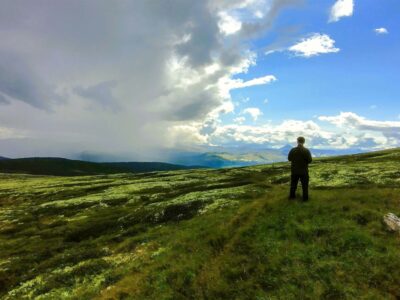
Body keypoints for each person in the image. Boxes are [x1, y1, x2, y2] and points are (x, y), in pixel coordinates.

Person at [288, 136, 312, 201]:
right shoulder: (306, 151)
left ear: (297, 141)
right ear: (304, 142)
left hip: (294, 171)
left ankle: (292, 198)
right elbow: (310, 160)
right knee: (305, 186)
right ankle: (305, 199)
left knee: (293, 185)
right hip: (304, 171)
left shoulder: (292, 150)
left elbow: (289, 159)